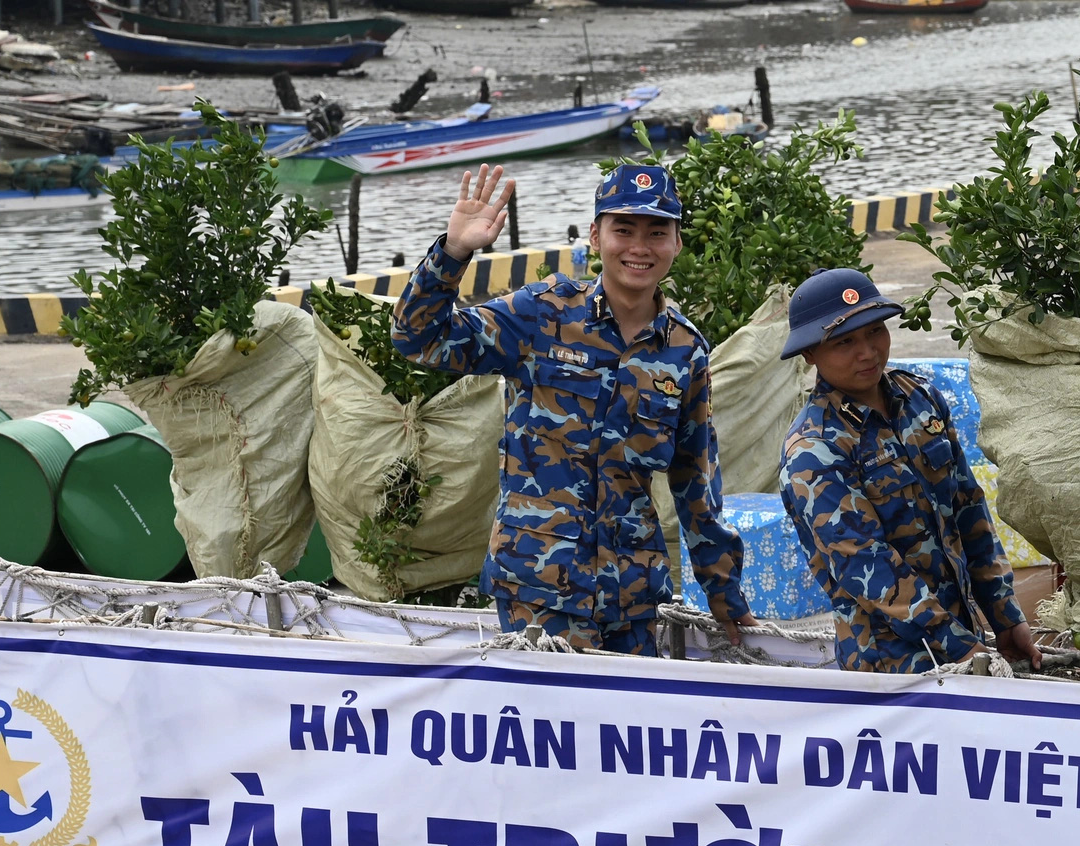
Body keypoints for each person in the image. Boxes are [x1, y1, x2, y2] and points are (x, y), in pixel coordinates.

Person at [391, 163, 752, 655]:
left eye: (657, 232)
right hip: (539, 592)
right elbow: (419, 339)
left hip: (633, 600)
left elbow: (696, 484)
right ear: (596, 235)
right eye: (623, 230)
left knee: (627, 730)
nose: (639, 247)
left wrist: (724, 594)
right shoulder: (542, 314)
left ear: (677, 243)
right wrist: (454, 252)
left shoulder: (684, 351)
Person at [776, 269, 1040, 673]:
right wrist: (957, 645)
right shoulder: (814, 449)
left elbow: (969, 510)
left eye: (874, 331)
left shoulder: (920, 399)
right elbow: (867, 565)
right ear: (810, 353)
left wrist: (1005, 618)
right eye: (844, 342)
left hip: (965, 640)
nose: (867, 352)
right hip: (893, 663)